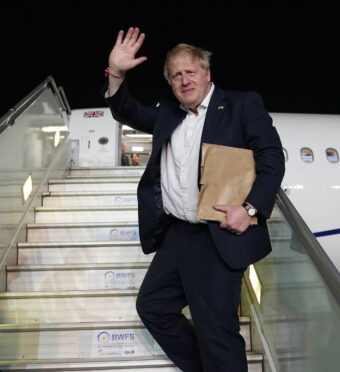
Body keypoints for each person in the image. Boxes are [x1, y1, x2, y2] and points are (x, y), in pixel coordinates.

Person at [103, 27, 285, 372]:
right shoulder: (169, 113)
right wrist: (117, 72)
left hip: (217, 234)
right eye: (176, 75)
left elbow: (272, 158)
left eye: (191, 71)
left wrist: (250, 209)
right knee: (154, 306)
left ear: (207, 73)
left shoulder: (241, 105)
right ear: (170, 83)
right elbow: (126, 110)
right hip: (177, 235)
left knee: (217, 331)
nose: (184, 80)